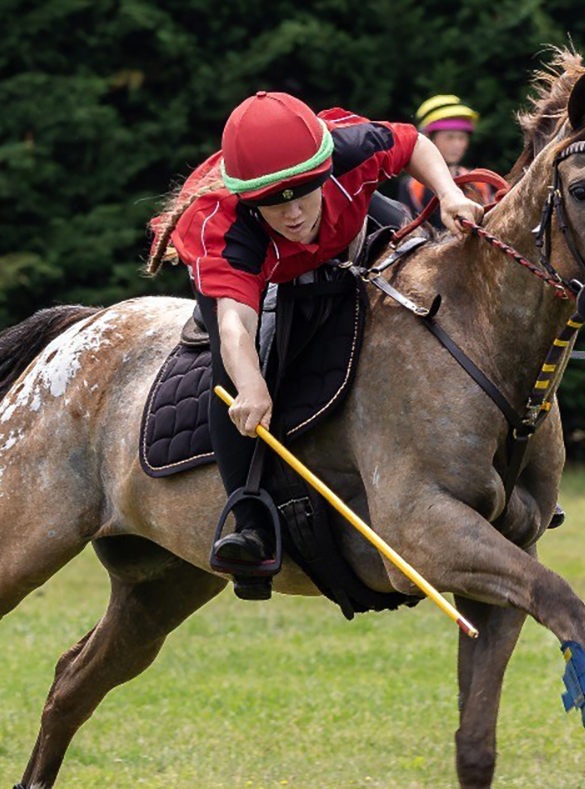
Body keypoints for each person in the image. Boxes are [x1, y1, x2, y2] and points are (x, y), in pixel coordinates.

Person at [146, 91, 485, 583]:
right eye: (274, 204)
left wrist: (449, 195)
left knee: (426, 264)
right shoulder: (226, 228)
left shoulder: (351, 148)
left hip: (349, 220)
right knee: (232, 376)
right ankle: (250, 522)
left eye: (302, 193)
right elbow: (235, 325)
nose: (293, 216)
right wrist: (251, 387)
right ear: (251, 201)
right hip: (262, 275)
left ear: (324, 170)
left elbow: (412, 143)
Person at [398, 94, 498, 223]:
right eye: (449, 137)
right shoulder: (414, 186)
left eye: (462, 138)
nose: (457, 144)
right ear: (429, 139)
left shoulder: (479, 183)